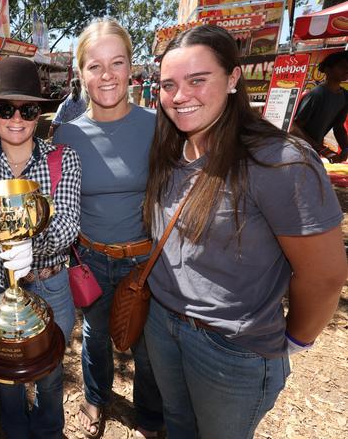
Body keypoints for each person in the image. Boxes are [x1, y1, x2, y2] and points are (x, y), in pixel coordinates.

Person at [143, 24, 347, 439]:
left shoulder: (279, 162)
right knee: (178, 424)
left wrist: (295, 341)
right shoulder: (168, 147)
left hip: (230, 349)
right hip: (161, 326)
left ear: (233, 78)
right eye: (169, 84)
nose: (180, 96)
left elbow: (324, 276)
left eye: (197, 80)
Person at [53, 18, 164, 439]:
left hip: (145, 260)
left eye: (116, 63)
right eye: (94, 66)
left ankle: (150, 416)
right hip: (91, 258)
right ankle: (96, 398)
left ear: (130, 67)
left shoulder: (158, 125)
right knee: (95, 335)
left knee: (149, 347)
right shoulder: (65, 134)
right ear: (80, 72)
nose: (106, 75)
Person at [0, 56, 82, 439]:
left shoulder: (64, 160)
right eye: (5, 109)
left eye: (27, 109)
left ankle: (48, 432)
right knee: (6, 378)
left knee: (49, 376)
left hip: (51, 285)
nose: (17, 119)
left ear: (40, 114)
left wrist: (31, 244)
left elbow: (67, 226)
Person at [291, 50, 348, 163]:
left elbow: (339, 127)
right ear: (328, 70)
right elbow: (294, 128)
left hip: (314, 152)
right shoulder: (317, 94)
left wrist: (346, 148)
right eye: (342, 66)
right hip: (298, 151)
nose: (346, 70)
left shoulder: (345, 96)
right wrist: (323, 150)